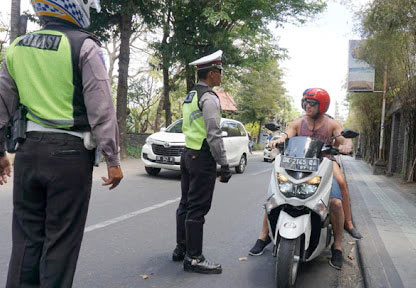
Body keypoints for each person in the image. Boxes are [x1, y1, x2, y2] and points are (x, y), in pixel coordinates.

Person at [0, 0, 123, 286]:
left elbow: (2, 105)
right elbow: (101, 106)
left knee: (26, 240)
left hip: (28, 152)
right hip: (70, 157)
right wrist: (113, 159)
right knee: (60, 243)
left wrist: (0, 152)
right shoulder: (84, 46)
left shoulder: (18, 46)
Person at [248, 88, 360, 270]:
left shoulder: (331, 124)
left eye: (312, 103)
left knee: (336, 198)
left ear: (321, 106)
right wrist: (278, 141)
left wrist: (346, 145)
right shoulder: (299, 122)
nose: (307, 106)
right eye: (306, 102)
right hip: (296, 166)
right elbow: (287, 134)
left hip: (324, 163)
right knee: (275, 196)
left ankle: (338, 244)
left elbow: (344, 139)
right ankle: (264, 236)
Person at [172, 50, 232, 274]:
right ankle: (194, 258)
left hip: (188, 154)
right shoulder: (209, 98)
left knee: (185, 204)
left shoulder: (190, 96)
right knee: (197, 208)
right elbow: (213, 134)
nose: (221, 76)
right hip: (202, 157)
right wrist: (224, 164)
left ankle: (182, 249)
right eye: (220, 72)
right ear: (213, 74)